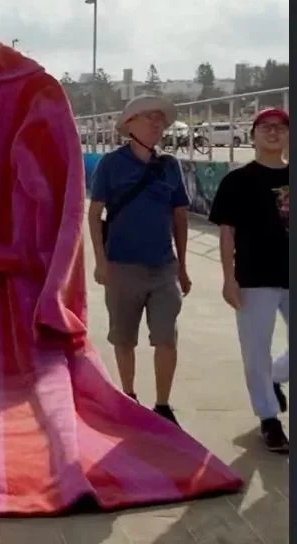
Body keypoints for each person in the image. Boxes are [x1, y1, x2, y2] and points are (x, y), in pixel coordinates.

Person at [88, 95, 192, 426]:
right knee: (124, 338)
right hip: (121, 266)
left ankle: (163, 405)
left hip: (163, 267)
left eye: (161, 119)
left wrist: (183, 266)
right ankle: (129, 396)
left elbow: (180, 217)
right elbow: (94, 214)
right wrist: (101, 262)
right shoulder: (111, 164)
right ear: (129, 123)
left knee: (166, 339)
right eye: (149, 117)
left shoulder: (170, 165)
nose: (157, 123)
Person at [208, 108, 289, 453]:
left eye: (281, 127)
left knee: (265, 364)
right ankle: (268, 419)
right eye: (265, 127)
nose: (273, 132)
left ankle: (273, 378)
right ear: (253, 134)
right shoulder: (237, 181)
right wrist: (228, 278)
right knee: (255, 350)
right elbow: (227, 233)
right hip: (255, 277)